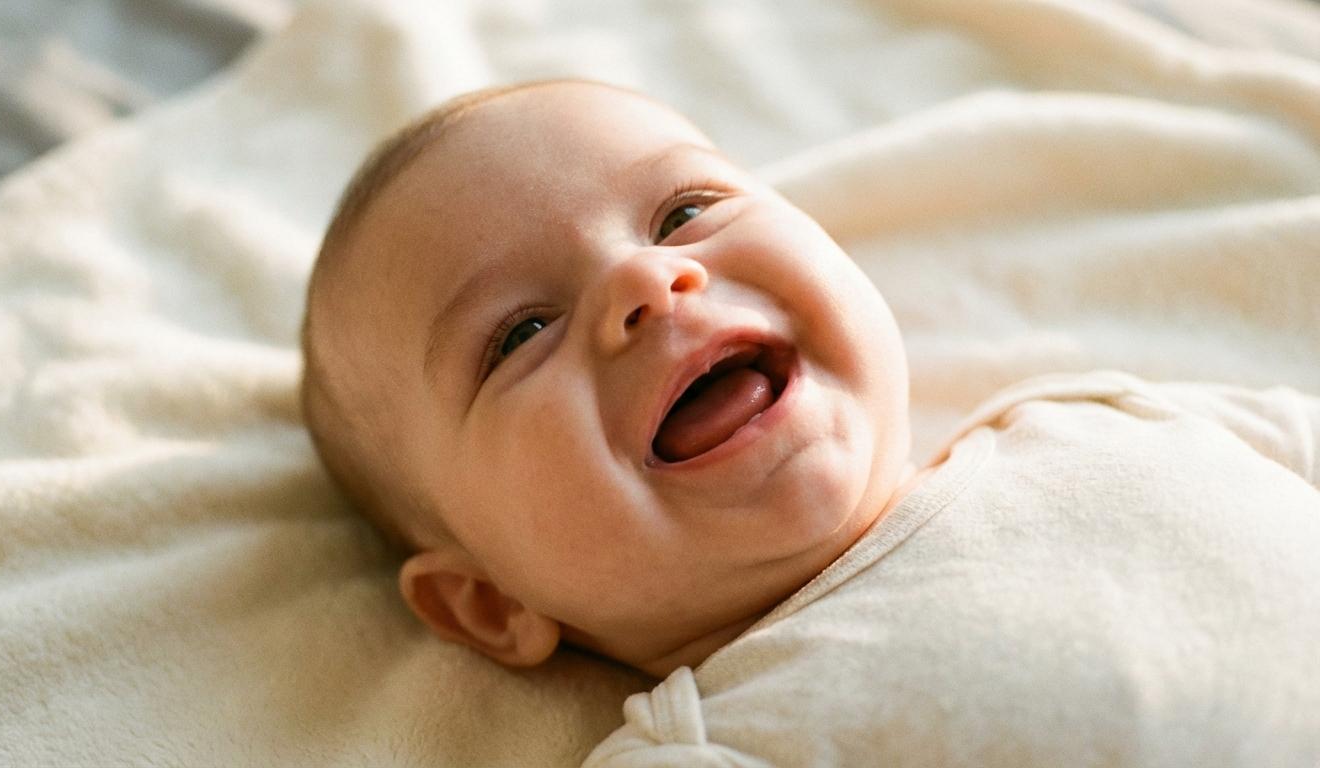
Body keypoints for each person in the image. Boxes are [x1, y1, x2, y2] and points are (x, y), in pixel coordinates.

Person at [300, 79, 1320, 765]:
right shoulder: (710, 744)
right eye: (521, 330)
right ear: (488, 604)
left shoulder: (1102, 423)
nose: (648, 280)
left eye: (682, 211)